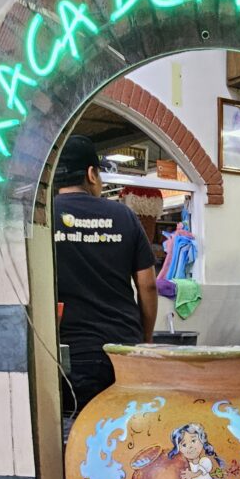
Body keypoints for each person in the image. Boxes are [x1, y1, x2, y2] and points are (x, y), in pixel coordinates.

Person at [54, 135, 158, 414]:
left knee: (77, 430)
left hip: (70, 354)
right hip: (123, 351)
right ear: (91, 174)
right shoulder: (124, 215)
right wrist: (145, 338)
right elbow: (147, 285)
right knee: (125, 430)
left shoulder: (45, 217)